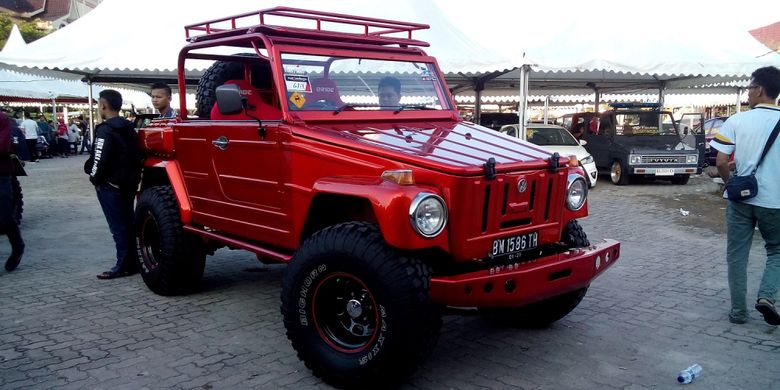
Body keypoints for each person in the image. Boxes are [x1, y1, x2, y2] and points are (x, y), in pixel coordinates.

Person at [710, 66, 780, 326]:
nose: (748, 93)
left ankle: (739, 312)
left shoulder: (737, 120)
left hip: (741, 199)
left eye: (750, 88)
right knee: (777, 251)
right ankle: (766, 297)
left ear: (760, 89)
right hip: (775, 202)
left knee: (737, 255)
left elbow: (720, 161)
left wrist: (730, 184)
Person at [86, 89, 143, 280]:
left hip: (110, 185)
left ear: (103, 105)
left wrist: (94, 178)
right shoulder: (130, 128)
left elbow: (99, 159)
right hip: (128, 184)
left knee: (118, 227)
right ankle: (133, 262)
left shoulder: (105, 130)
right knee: (128, 224)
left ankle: (122, 265)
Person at [0, 111, 25, 271]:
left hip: (1, 173)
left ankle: (18, 246)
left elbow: (2, 146)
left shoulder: (2, 119)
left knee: (3, 217)